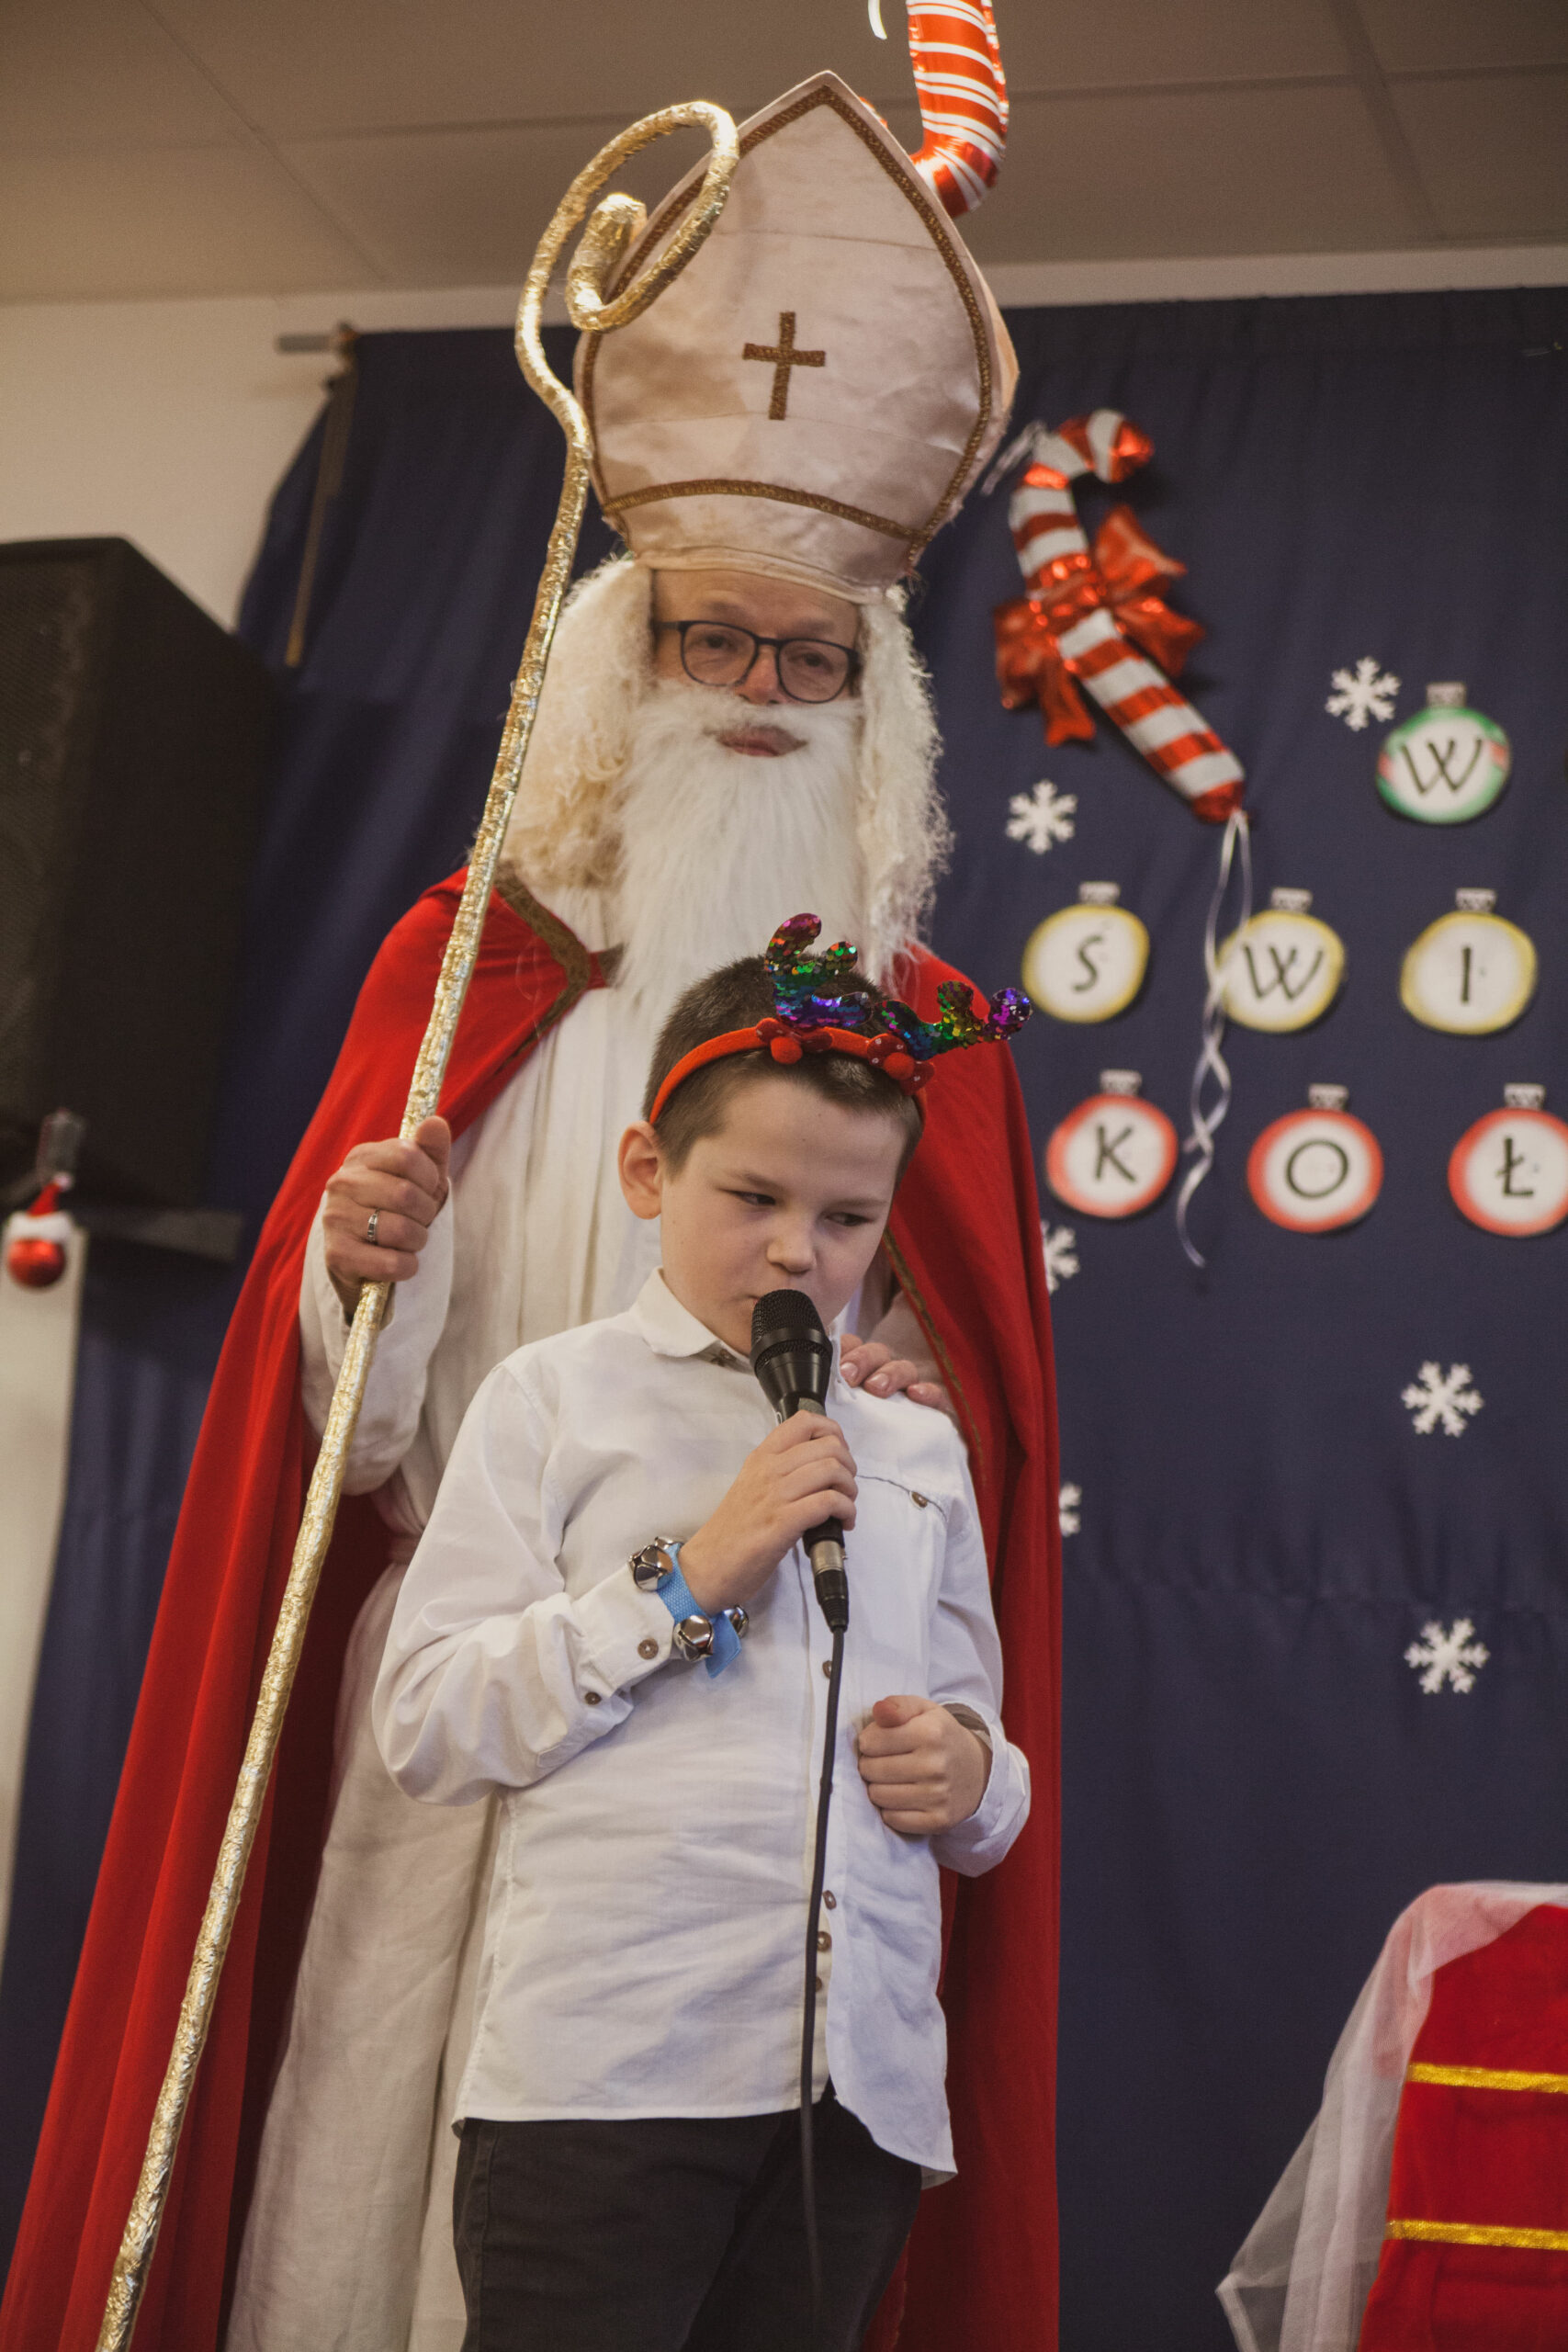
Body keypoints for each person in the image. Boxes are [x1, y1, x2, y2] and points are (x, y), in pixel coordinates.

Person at [2, 56, 1060, 2352]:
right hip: (497, 1697)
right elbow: (338, 1458)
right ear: (626, 659)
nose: (761, 693)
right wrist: (345, 1273)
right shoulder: (460, 962)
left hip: (769, 1796)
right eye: (714, 640)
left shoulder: (934, 1035)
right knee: (424, 2199)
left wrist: (908, 1380)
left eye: (812, 658)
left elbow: (966, 1476)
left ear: (873, 707)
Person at [373, 932, 1031, 2352]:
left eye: (852, 1218)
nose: (801, 1249)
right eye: (754, 1196)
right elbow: (425, 1722)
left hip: (852, 2104)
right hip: (608, 2086)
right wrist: (684, 1579)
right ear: (647, 1175)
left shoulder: (915, 1445)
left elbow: (987, 1764)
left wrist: (969, 1776)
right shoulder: (554, 1402)